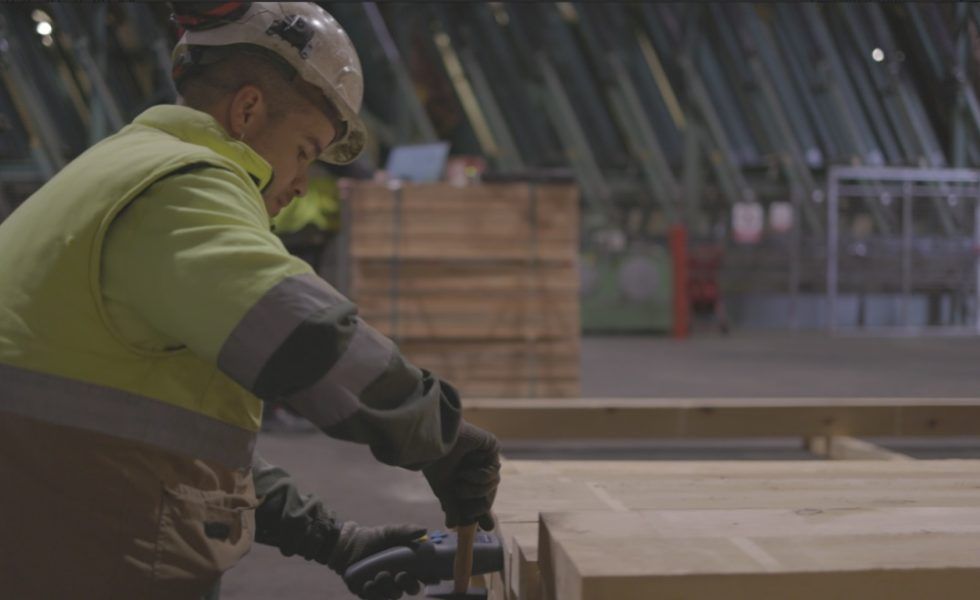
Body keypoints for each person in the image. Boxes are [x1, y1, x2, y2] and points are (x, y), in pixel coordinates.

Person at [0, 3, 500, 599]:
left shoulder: (118, 169)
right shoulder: (180, 187)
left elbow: (170, 442)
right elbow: (304, 337)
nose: (298, 185)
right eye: (305, 152)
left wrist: (331, 539)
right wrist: (437, 434)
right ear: (247, 110)